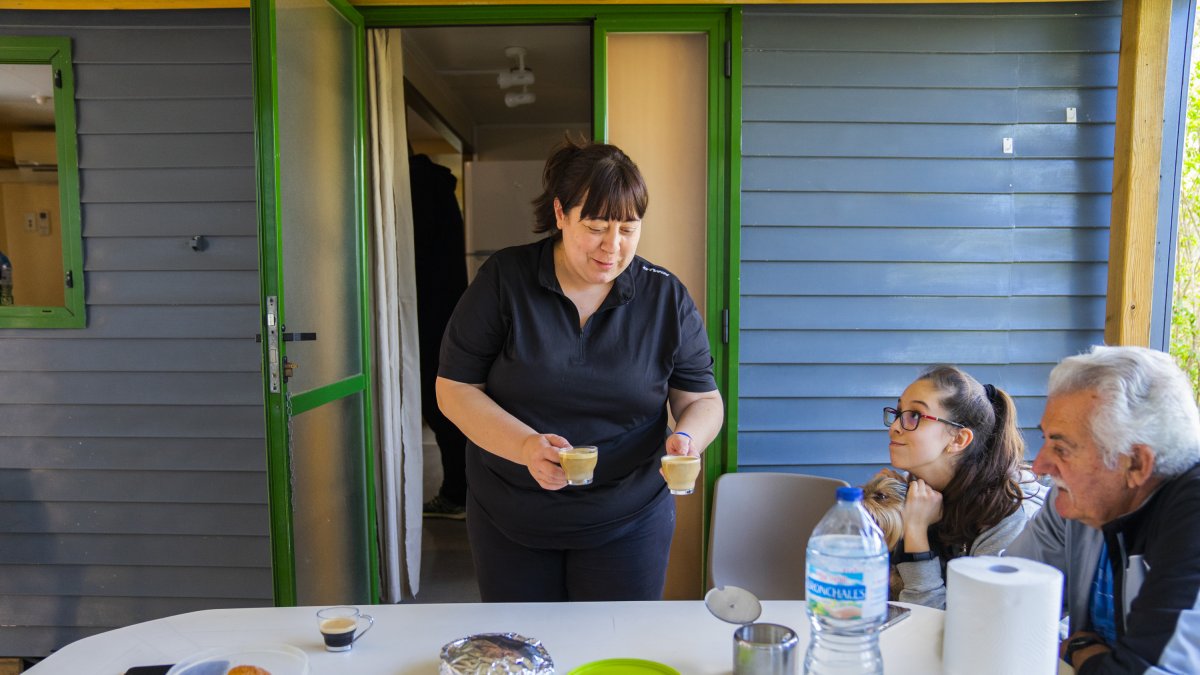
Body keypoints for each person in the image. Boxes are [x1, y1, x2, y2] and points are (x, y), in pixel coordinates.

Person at [435, 137, 724, 602]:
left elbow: (702, 399)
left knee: (616, 655)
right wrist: (525, 446)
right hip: (512, 516)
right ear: (560, 215)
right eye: (595, 226)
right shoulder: (505, 280)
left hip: (629, 518)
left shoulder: (665, 297)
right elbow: (454, 389)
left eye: (628, 229)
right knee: (526, 658)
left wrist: (688, 437)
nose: (612, 246)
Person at [1006, 346, 1200, 673]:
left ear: (1136, 463)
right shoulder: (1077, 502)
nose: (1039, 465)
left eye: (1061, 447)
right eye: (1045, 440)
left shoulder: (1191, 516)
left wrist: (1081, 649)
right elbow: (1001, 602)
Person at [881, 365, 1046, 608]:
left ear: (959, 439)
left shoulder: (1008, 516)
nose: (895, 426)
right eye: (899, 412)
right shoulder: (916, 489)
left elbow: (967, 626)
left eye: (915, 415)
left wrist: (915, 531)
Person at [409, 152, 471, 520]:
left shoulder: (417, 190)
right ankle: (459, 491)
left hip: (428, 313)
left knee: (441, 408)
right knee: (447, 408)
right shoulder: (439, 187)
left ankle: (456, 493)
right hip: (448, 311)